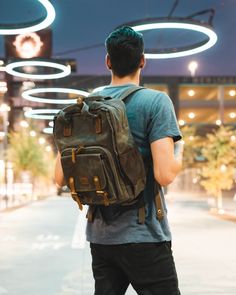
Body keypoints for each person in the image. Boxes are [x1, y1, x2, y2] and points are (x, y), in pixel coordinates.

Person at [55, 26, 183, 295]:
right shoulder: (156, 102)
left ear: (108, 61)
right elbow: (164, 175)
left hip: (100, 237)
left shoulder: (87, 105)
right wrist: (179, 153)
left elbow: (59, 177)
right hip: (144, 235)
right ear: (142, 61)